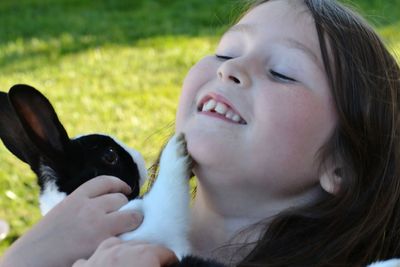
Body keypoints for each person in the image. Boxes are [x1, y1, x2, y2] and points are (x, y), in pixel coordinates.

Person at [1, 0, 400, 266]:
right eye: (226, 52)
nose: (230, 68)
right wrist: (26, 256)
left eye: (282, 71)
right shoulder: (76, 242)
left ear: (342, 162)